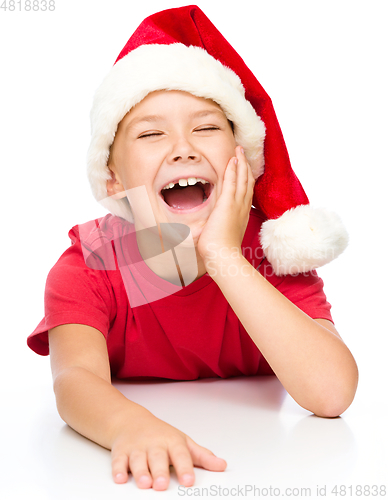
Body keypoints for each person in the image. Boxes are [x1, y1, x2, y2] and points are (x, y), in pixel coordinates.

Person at [27, 5, 358, 492]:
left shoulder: (274, 255)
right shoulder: (91, 265)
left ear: (242, 156)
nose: (183, 148)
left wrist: (224, 256)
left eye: (206, 128)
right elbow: (73, 379)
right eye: (151, 133)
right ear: (113, 177)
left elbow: (331, 394)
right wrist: (127, 425)